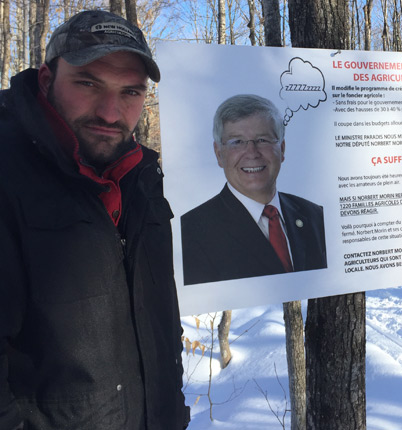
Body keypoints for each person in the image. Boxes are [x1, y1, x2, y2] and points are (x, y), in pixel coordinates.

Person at [0, 10, 189, 430]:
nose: (110, 112)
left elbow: (161, 320)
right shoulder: (9, 170)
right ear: (48, 81)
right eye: (88, 84)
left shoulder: (143, 178)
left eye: (131, 93)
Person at [180, 94, 327, 285]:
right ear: (219, 154)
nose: (252, 153)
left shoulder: (315, 216)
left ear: (282, 149)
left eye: (263, 140)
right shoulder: (191, 232)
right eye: (237, 142)